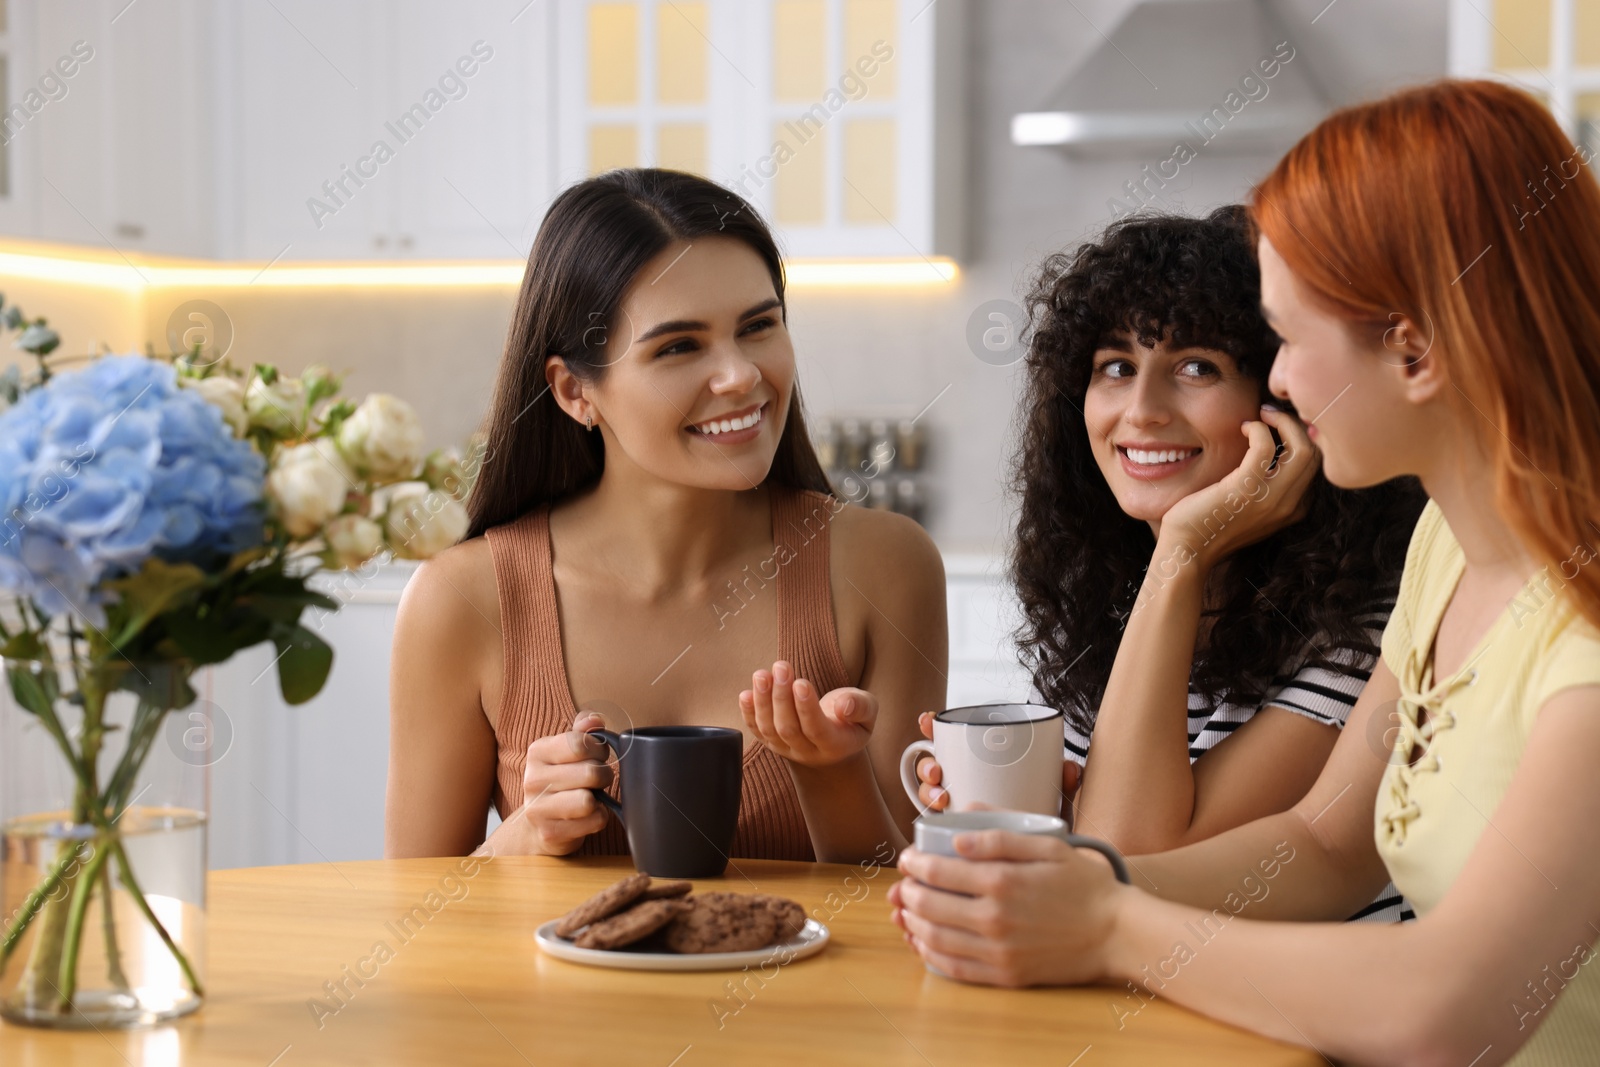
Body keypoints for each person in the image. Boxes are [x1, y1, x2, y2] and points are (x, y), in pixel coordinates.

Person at [890, 79, 1600, 1066]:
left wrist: (1103, 920)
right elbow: (1324, 842)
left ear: (1415, 350)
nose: (1275, 382)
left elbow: (1448, 1010)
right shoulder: (1449, 543)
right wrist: (1064, 873)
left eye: (1291, 339)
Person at [386, 169, 944, 865]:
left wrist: (831, 772)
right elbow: (415, 928)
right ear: (574, 390)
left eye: (758, 326)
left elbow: (908, 914)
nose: (740, 374)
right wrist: (526, 837)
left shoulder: (884, 566)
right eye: (679, 346)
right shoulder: (459, 600)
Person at [913, 208, 1423, 922]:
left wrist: (1181, 552)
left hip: (1303, 1019)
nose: (1142, 410)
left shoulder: (1367, 626)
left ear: (1281, 401)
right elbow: (1099, 849)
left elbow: (1131, 855)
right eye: (1115, 367)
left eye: (1196, 367)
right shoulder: (1095, 603)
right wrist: (1039, 810)